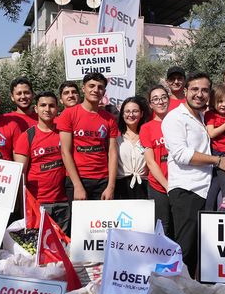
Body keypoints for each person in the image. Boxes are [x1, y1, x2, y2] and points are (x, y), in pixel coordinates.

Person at [163, 72, 225, 276]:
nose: (199, 94)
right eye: (195, 89)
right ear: (185, 91)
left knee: (199, 251)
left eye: (204, 90)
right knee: (185, 249)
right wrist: (218, 160)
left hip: (206, 189)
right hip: (187, 190)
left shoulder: (204, 117)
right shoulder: (175, 118)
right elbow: (181, 154)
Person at [57, 72, 119, 203]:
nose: (96, 90)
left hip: (103, 180)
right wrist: (77, 185)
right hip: (78, 180)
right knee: (79, 223)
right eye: (91, 86)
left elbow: (112, 153)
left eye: (100, 87)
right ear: (83, 88)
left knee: (102, 222)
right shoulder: (68, 114)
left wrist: (111, 186)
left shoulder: (109, 119)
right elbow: (65, 152)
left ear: (104, 91)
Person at [13, 92, 70, 232]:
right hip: (37, 203)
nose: (47, 109)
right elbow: (20, 175)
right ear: (36, 109)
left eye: (51, 106)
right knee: (39, 249)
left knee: (63, 248)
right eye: (43, 105)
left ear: (57, 109)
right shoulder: (27, 136)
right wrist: (23, 205)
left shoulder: (64, 133)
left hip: (63, 202)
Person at [140, 85, 172, 237]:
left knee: (180, 225)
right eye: (155, 99)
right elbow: (151, 162)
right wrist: (166, 186)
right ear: (151, 104)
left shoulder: (178, 122)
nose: (160, 102)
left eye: (163, 97)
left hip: (181, 184)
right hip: (159, 186)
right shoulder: (146, 128)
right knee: (162, 226)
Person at [116, 96, 150, 200]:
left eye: (135, 111)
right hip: (121, 186)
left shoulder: (147, 135)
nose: (131, 114)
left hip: (144, 186)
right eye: (127, 111)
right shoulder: (116, 137)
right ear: (122, 114)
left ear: (141, 114)